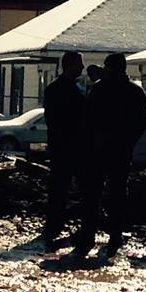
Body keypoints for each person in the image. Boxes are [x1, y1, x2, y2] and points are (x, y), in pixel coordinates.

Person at [72, 53, 146, 259]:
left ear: (110, 68)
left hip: (97, 150)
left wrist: (87, 144)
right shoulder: (134, 91)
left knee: (92, 194)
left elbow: (86, 120)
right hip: (120, 150)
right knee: (117, 193)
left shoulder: (99, 89)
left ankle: (88, 236)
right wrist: (129, 141)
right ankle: (114, 236)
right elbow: (142, 121)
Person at [41, 51, 86, 247]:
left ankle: (54, 223)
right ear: (69, 65)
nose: (82, 67)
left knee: (58, 187)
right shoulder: (72, 91)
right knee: (67, 186)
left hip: (62, 145)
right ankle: (60, 223)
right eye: (79, 63)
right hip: (69, 145)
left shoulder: (55, 89)